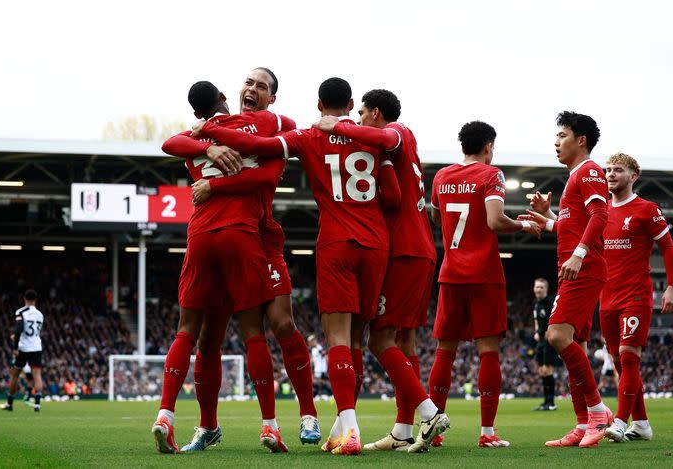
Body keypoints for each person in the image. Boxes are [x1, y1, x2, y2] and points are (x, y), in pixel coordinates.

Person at [192, 77, 399, 456]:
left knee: (334, 337)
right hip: (375, 244)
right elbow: (395, 195)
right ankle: (351, 423)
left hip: (335, 241)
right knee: (358, 340)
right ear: (352, 103)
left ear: (319, 104)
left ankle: (346, 427)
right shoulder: (374, 136)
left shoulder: (304, 135)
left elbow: (257, 147)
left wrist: (208, 131)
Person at [162, 68, 320, 451]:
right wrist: (209, 143)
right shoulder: (216, 128)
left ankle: (307, 415)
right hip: (233, 237)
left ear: (272, 97)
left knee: (282, 324)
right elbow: (172, 142)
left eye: (261, 86)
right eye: (248, 83)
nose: (252, 89)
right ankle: (207, 426)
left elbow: (267, 173)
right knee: (209, 338)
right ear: (228, 93)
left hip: (261, 239)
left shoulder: (273, 125)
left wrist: (212, 173)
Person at [312, 89, 446, 453]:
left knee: (377, 339)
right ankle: (403, 428)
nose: (357, 121)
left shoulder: (397, 133)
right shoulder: (400, 150)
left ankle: (428, 411)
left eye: (362, 114)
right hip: (421, 250)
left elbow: (392, 196)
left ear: (375, 113)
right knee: (406, 340)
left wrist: (335, 127)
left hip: (402, 250)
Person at [427, 121, 540, 449]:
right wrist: (522, 223)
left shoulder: (442, 176)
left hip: (450, 273)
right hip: (485, 274)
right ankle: (488, 431)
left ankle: (435, 430)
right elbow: (494, 220)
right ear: (489, 146)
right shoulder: (492, 175)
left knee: (444, 352)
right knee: (488, 352)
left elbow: (436, 218)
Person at [524, 111, 612, 448]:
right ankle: (582, 423)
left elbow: (600, 215)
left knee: (556, 335)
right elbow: (571, 226)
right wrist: (546, 220)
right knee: (579, 348)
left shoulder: (589, 171)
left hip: (583, 268)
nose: (556, 142)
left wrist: (579, 253)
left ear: (581, 140)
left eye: (562, 135)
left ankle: (598, 412)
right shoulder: (575, 177)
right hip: (576, 267)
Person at [599, 152, 673, 443]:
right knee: (620, 363)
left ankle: (620, 422)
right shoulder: (602, 211)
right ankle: (642, 424)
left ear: (633, 176)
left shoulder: (646, 209)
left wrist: (672, 287)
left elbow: (668, 248)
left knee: (629, 358)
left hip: (635, 295)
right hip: (606, 297)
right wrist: (549, 218)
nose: (610, 174)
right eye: (607, 169)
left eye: (617, 170)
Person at [0, 289, 44, 413]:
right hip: (36, 347)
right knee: (37, 376)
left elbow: (19, 329)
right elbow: (34, 332)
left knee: (15, 374)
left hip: (24, 347)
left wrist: (15, 347)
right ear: (35, 299)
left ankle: (9, 403)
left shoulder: (21, 311)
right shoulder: (40, 314)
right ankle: (37, 405)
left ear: (24, 298)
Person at [532, 278, 560, 411]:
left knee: (548, 370)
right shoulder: (536, 304)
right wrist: (536, 331)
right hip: (541, 340)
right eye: (537, 287)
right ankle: (546, 402)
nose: (538, 289)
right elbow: (537, 320)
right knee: (542, 371)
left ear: (546, 289)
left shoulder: (550, 302)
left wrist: (549, 334)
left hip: (549, 340)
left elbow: (553, 319)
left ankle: (551, 403)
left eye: (541, 287)